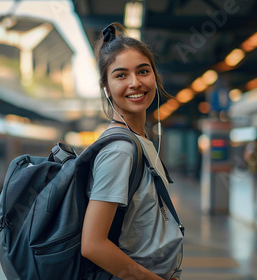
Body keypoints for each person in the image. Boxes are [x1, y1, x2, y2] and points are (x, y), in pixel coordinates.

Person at [81, 23, 184, 280]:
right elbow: (93, 244)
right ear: (105, 87)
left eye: (143, 71)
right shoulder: (120, 150)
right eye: (120, 75)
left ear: (155, 76)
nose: (135, 83)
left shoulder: (139, 141)